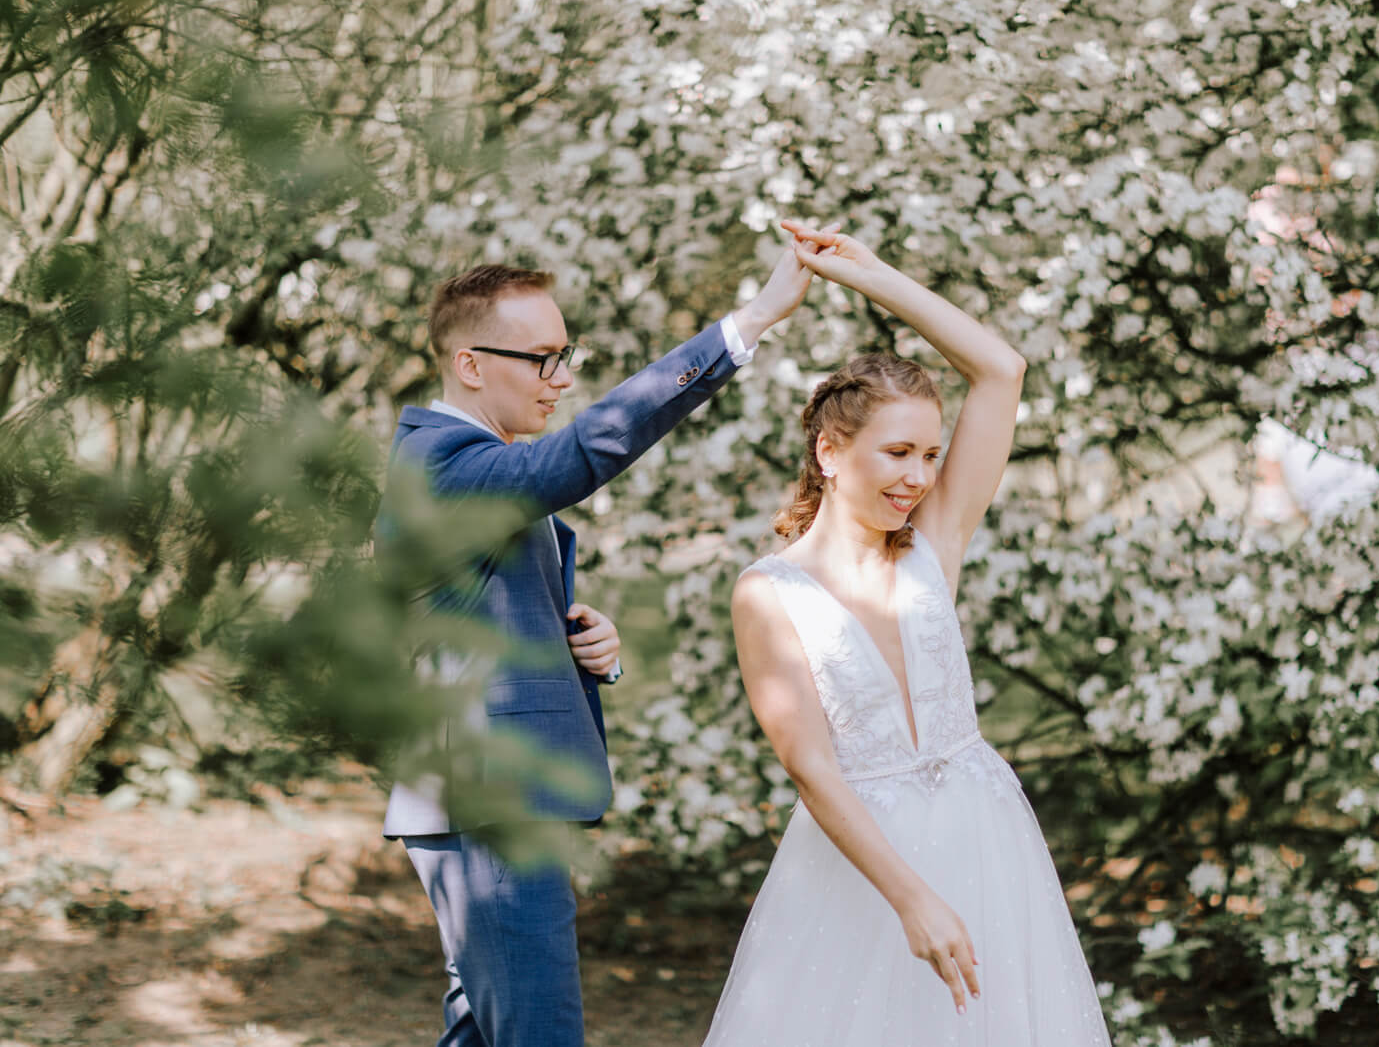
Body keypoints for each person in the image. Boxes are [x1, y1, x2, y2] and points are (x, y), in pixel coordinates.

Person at [378, 240, 820, 1047]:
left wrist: (588, 644)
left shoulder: (469, 463)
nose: (563, 378)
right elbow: (590, 448)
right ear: (471, 365)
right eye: (544, 359)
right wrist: (749, 323)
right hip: (492, 800)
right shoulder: (441, 466)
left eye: (566, 355)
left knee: (484, 1034)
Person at [701, 222, 1112, 1045]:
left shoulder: (934, 544)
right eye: (896, 453)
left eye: (929, 454)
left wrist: (870, 274)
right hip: (863, 871)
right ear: (828, 452)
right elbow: (810, 767)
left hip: (989, 842)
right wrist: (911, 897)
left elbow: (1001, 369)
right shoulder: (768, 591)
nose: (919, 477)